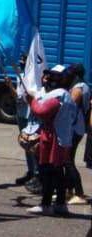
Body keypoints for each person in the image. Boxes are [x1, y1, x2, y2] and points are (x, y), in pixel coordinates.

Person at [26, 66, 81, 215]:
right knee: (58, 172)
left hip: (53, 139)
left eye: (52, 77)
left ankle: (46, 204)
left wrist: (32, 101)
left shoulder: (58, 95)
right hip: (63, 137)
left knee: (48, 172)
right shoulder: (66, 95)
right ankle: (60, 204)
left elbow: (41, 111)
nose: (48, 80)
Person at [64, 64, 89, 204]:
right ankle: (69, 191)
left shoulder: (78, 87)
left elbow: (69, 105)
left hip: (74, 129)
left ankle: (79, 194)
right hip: (76, 128)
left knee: (67, 160)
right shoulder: (82, 85)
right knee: (68, 160)